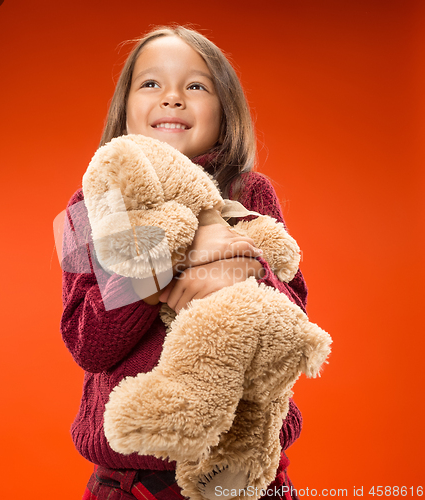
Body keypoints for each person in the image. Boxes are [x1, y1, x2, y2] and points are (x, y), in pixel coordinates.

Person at [61, 25, 307, 500]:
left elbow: (293, 317)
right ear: (125, 110)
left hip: (245, 474)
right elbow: (86, 340)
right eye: (150, 83)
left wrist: (250, 267)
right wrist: (160, 267)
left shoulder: (250, 192)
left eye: (195, 86)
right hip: (130, 481)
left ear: (225, 112)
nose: (172, 98)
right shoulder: (86, 207)